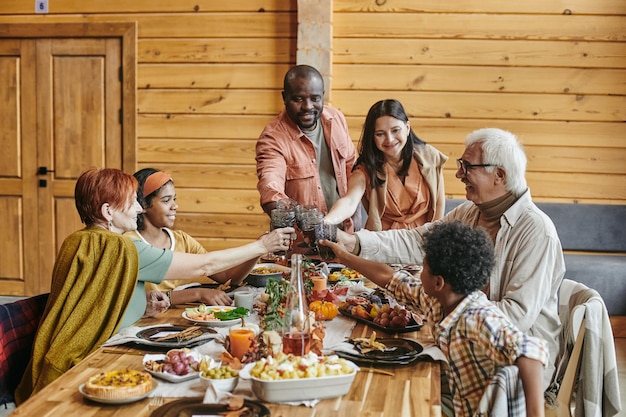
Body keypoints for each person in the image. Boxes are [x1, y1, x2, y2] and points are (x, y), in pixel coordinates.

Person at [15, 168, 293, 402]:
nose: (138, 208)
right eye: (131, 201)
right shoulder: (122, 247)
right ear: (107, 211)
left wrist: (138, 304)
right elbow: (205, 266)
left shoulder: (77, 240)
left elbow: (93, 298)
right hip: (82, 365)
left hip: (54, 356)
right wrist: (260, 245)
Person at [336, 128, 564, 388]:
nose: (458, 174)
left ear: (499, 174)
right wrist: (353, 243)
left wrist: (448, 314)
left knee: (398, 385)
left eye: (467, 167)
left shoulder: (537, 231)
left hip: (507, 372)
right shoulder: (469, 213)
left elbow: (517, 318)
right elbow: (417, 241)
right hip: (462, 343)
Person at [321, 221, 548, 417]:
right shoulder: (439, 300)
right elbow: (389, 277)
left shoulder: (478, 317)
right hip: (463, 404)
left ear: (438, 282)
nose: (418, 274)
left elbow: (530, 353)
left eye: (423, 268)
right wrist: (343, 256)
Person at [126, 168, 257, 306]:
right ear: (143, 205)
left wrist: (258, 250)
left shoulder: (182, 240)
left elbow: (227, 277)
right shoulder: (130, 243)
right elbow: (135, 299)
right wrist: (197, 294)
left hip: (177, 317)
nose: (175, 206)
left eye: (174, 199)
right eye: (166, 201)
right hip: (144, 322)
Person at [255, 64, 359, 232]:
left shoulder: (336, 119)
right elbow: (270, 183)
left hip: (345, 234)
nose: (308, 106)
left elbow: (352, 167)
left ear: (323, 96)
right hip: (304, 245)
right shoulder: (273, 138)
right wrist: (281, 209)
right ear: (285, 97)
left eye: (315, 98)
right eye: (298, 99)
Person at [324, 99, 447, 230]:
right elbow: (349, 202)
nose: (390, 139)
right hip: (384, 242)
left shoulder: (430, 157)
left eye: (395, 130)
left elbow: (439, 205)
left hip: (426, 237)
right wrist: (327, 221)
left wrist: (435, 240)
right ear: (372, 137)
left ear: (407, 128)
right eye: (380, 134)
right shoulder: (365, 170)